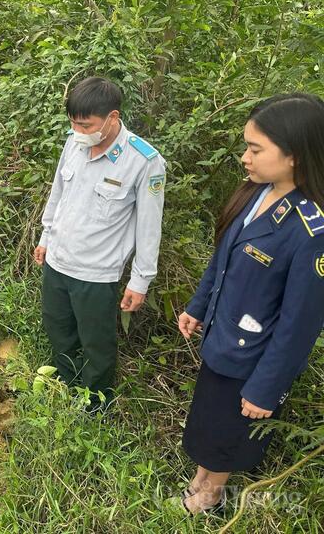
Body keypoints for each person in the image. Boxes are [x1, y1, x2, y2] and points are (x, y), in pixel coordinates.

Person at [177, 93, 324, 514]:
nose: (245, 157)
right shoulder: (256, 192)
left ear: (294, 155)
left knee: (229, 431)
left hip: (253, 358)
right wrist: (198, 306)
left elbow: (300, 324)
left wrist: (267, 387)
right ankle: (202, 478)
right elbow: (222, 261)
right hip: (224, 337)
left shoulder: (311, 231)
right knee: (210, 417)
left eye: (255, 149)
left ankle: (209, 496)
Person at [33, 76, 166, 407]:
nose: (79, 131)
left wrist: (140, 280)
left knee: (96, 344)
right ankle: (65, 384)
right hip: (57, 261)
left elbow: (150, 227)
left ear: (113, 118)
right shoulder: (74, 142)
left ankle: (94, 405)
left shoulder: (144, 161)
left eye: (86, 124)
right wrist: (46, 235)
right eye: (74, 123)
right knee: (59, 329)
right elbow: (59, 193)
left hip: (95, 273)